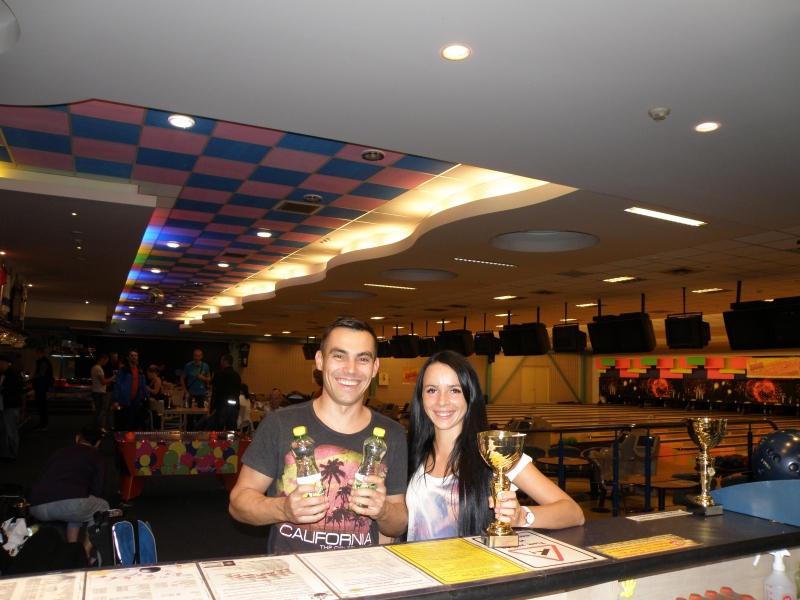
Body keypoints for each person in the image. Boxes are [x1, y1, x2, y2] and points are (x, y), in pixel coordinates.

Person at [229, 317, 408, 555]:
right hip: (292, 573)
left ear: (375, 367)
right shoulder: (280, 424)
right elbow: (238, 503)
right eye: (339, 356)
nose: (351, 369)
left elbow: (399, 524)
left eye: (362, 359)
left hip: (361, 573)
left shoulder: (393, 434)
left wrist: (383, 511)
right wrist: (284, 509)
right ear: (320, 360)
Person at [406, 351, 584, 541]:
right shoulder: (411, 452)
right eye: (432, 390)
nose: (442, 401)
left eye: (454, 390)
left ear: (470, 396)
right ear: (421, 397)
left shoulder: (495, 453)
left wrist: (521, 516)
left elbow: (573, 513)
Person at [28, 424, 109, 564]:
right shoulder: (97, 457)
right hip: (70, 504)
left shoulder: (59, 452)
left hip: (36, 506)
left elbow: (41, 479)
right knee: (102, 506)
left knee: (80, 502)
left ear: (77, 438)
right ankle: (83, 555)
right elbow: (97, 491)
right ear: (98, 443)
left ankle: (71, 550)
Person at [111, 349, 150, 431]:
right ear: (127, 357)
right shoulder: (123, 370)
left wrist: (148, 396)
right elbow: (117, 385)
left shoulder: (139, 370)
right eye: (132, 355)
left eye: (136, 355)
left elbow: (143, 384)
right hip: (123, 400)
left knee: (131, 423)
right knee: (121, 423)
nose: (134, 357)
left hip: (134, 400)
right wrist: (116, 400)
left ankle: (129, 437)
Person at [204, 355, 241, 431]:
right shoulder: (237, 375)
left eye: (221, 361)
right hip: (235, 406)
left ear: (224, 362)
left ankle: (218, 439)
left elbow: (216, 391)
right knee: (231, 431)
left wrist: (213, 407)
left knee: (218, 430)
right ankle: (231, 439)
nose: (220, 363)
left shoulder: (218, 373)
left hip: (223, 405)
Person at [0, 354, 23, 461]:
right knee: (3, 432)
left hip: (10, 406)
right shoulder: (8, 374)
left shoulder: (13, 375)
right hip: (4, 405)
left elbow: (16, 390)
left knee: (10, 431)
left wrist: (3, 391)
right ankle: (5, 453)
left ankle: (12, 454)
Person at [91, 354, 115, 431]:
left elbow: (101, 381)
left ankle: (96, 428)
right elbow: (103, 381)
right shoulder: (98, 369)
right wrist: (114, 377)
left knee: (99, 412)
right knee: (99, 412)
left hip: (97, 391)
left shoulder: (95, 368)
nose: (106, 363)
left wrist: (106, 382)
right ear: (103, 359)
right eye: (106, 361)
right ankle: (97, 428)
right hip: (99, 392)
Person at [31, 348, 54, 430]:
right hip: (43, 386)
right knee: (42, 405)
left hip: (40, 386)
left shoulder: (43, 362)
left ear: (39, 353)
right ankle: (43, 423)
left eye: (36, 354)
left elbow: (41, 374)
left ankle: (43, 423)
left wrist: (33, 377)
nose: (35, 355)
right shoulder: (46, 361)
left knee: (40, 405)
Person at [101, 351, 119, 431]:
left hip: (115, 390)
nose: (115, 358)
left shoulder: (117, 366)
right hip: (108, 390)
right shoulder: (106, 366)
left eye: (116, 357)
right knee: (105, 409)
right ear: (110, 358)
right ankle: (102, 426)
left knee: (112, 409)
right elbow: (103, 378)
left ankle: (111, 425)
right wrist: (108, 381)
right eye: (113, 357)